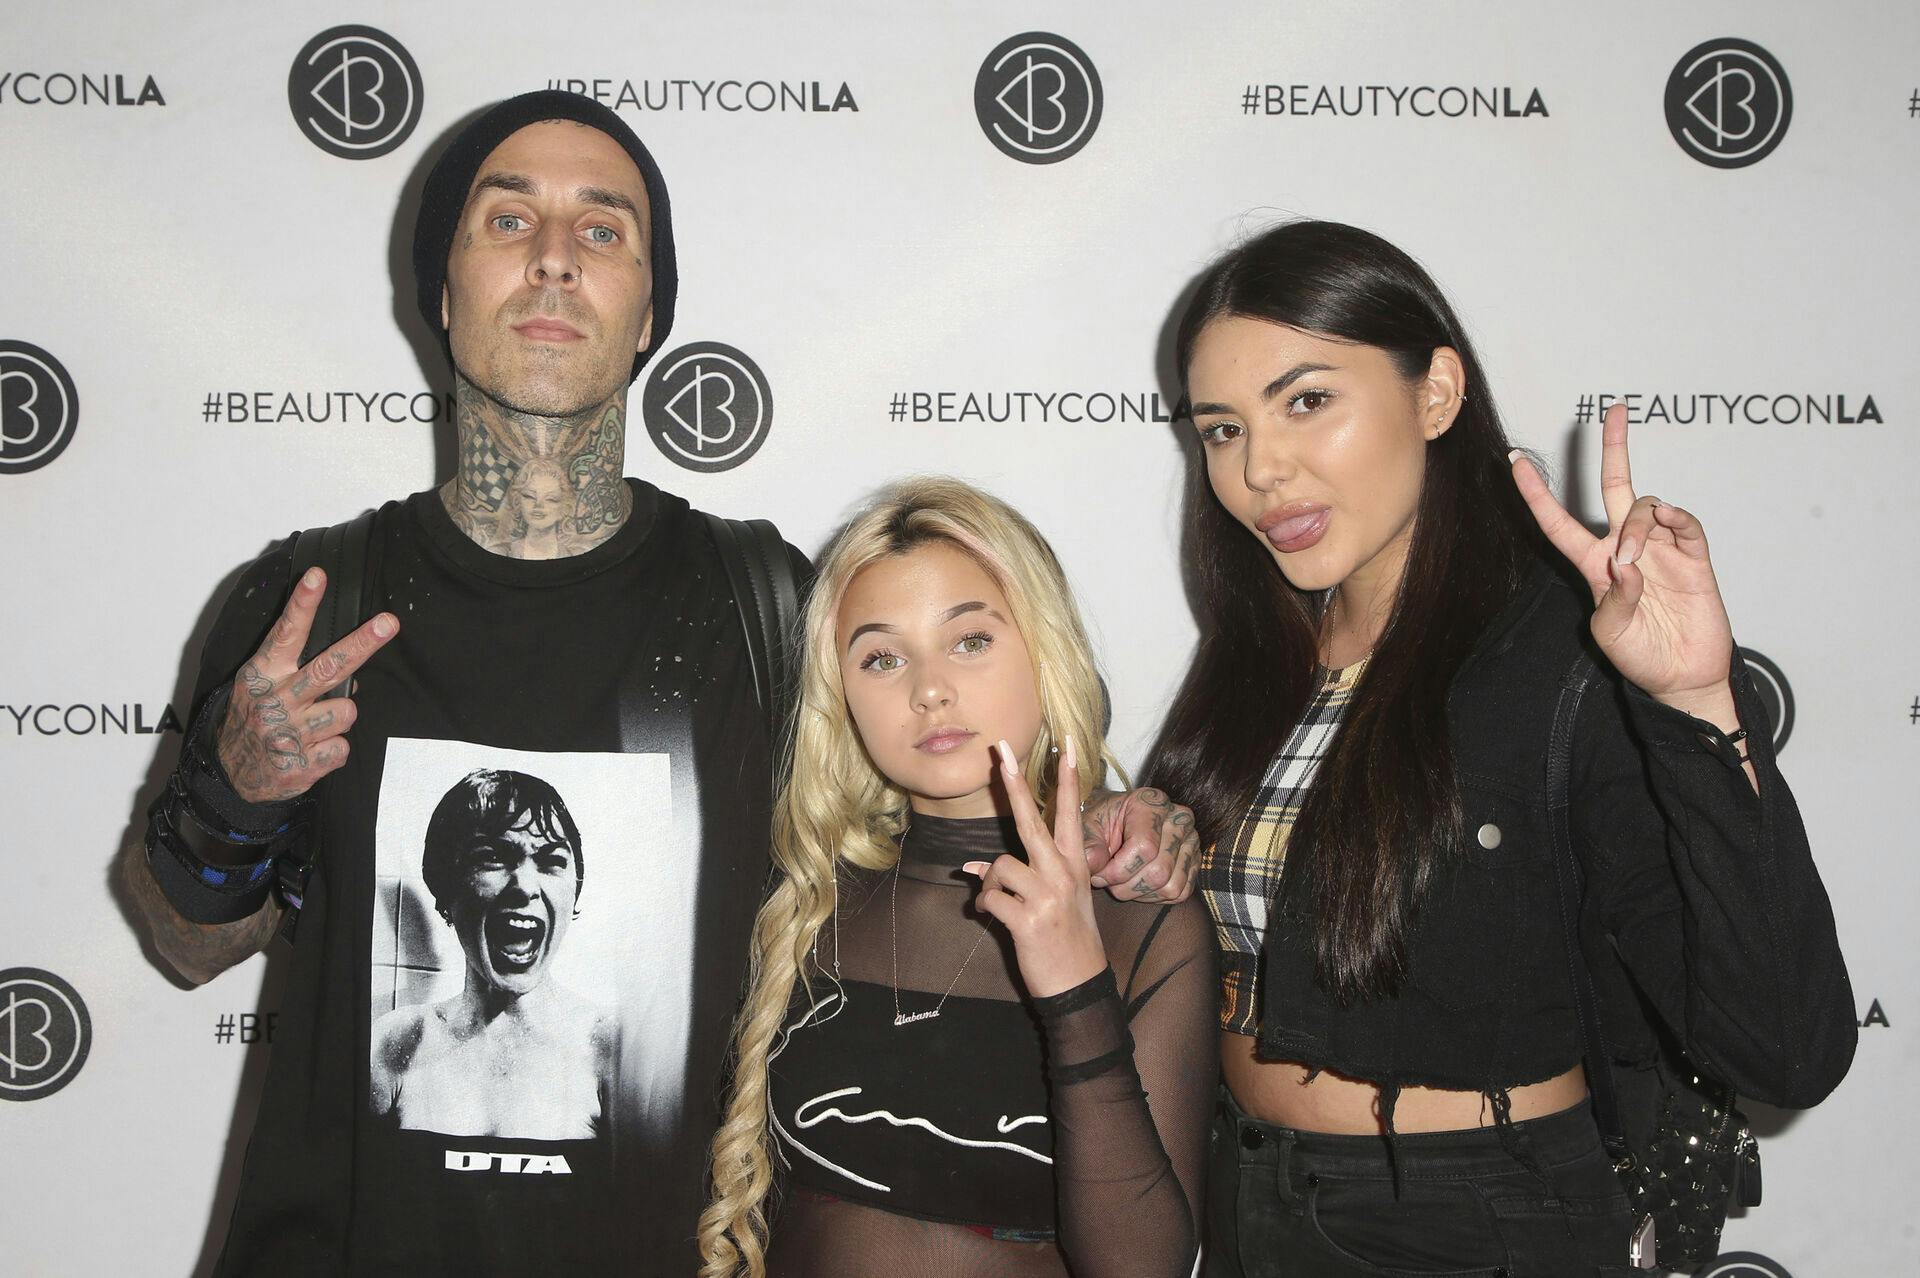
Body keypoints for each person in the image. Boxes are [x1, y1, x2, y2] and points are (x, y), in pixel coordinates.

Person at [120, 90, 1198, 1275]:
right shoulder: (309, 600)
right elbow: (185, 946)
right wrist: (235, 792)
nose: (553, 258)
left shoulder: (762, 602)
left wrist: (1121, 820)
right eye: (508, 220)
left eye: (602, 230)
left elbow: (939, 785)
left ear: (648, 317)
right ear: (441, 292)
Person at [1145, 221, 1857, 1276]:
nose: (1260, 469)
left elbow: (1786, 1050)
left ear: (1437, 393)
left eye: (1307, 401)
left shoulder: (1566, 653)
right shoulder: (1257, 656)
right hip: (1248, 1199)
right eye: (1221, 429)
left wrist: (1698, 703)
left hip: (1476, 1221)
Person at [699, 479, 1217, 1278]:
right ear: (842, 697)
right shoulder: (801, 896)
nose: (929, 689)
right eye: (881, 657)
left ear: (1045, 651)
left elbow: (1146, 1267)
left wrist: (1077, 994)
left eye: (970, 640)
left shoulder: (1140, 914)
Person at [370, 768, 615, 1141]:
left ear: (574, 893)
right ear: (447, 894)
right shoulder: (395, 1042)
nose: (525, 887)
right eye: (492, 858)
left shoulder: (609, 1046)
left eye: (552, 861)